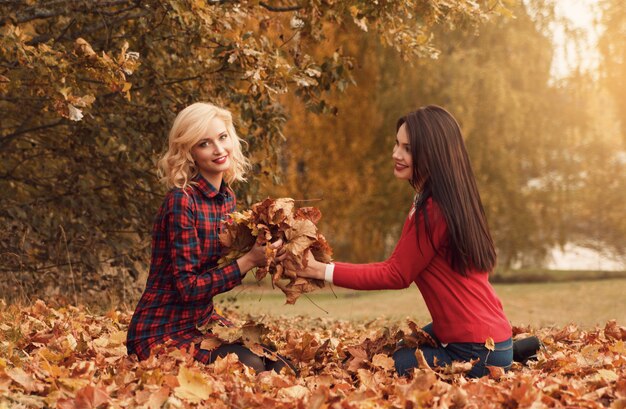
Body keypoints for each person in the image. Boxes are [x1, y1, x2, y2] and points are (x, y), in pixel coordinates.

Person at [298, 105, 513, 378]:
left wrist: (320, 270)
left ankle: (503, 360)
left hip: (475, 351)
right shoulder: (453, 200)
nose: (396, 154)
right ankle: (509, 354)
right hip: (493, 336)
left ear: (433, 153)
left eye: (408, 148)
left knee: (379, 366)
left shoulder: (435, 210)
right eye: (397, 144)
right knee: (397, 348)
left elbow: (396, 274)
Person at [127, 102, 292, 374]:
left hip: (202, 322)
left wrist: (267, 250)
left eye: (222, 137)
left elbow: (220, 270)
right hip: (161, 329)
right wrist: (249, 261)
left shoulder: (227, 199)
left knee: (280, 366)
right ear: (189, 152)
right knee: (248, 367)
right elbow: (189, 288)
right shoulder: (182, 201)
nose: (218, 149)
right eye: (204, 143)